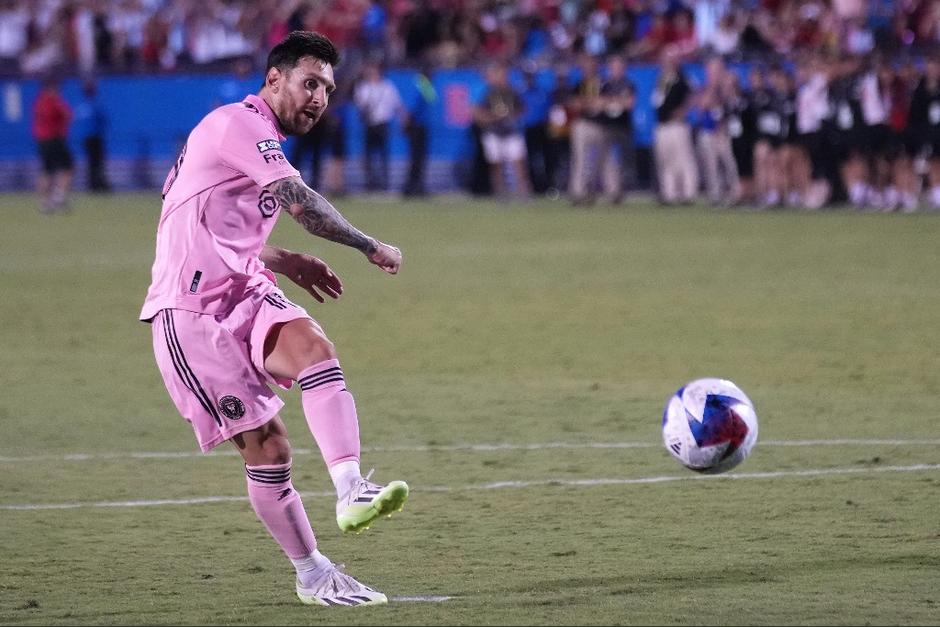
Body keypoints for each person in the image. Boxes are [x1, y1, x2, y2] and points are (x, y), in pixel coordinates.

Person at [138, 31, 408, 607]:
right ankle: (312, 573)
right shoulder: (238, 124)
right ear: (274, 79)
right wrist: (367, 245)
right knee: (269, 451)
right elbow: (302, 204)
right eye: (310, 83)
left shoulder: (253, 138)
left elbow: (208, 225)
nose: (319, 97)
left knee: (314, 348)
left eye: (328, 89)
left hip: (244, 290)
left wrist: (281, 260)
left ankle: (351, 488)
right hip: (191, 315)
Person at [32, 75, 74, 213]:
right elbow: (67, 114)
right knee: (68, 167)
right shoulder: (54, 101)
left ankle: (45, 203)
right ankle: (59, 198)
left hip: (41, 140)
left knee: (46, 171)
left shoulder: (38, 102)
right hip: (54, 139)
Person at [73, 78, 111, 193]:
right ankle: (97, 184)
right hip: (95, 138)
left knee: (91, 162)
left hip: (87, 139)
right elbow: (103, 121)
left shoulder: (81, 106)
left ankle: (92, 184)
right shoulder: (95, 105)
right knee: (97, 162)